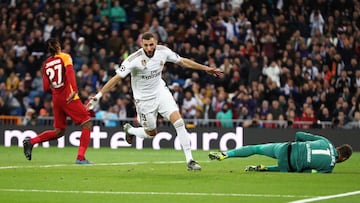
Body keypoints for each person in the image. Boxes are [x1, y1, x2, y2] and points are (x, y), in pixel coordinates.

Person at [87, 32, 223, 171]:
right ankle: (131, 130)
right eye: (146, 45)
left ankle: (190, 160)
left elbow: (182, 61)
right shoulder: (133, 59)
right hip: (144, 100)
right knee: (151, 133)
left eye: (151, 44)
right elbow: (116, 78)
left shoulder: (163, 52)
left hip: (161, 92)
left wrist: (206, 69)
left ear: (156, 42)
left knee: (179, 122)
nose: (149, 48)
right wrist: (99, 95)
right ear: (141, 44)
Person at [23, 38, 92, 164]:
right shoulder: (65, 57)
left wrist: (56, 93)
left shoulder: (45, 65)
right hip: (69, 97)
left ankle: (31, 141)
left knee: (59, 131)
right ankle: (80, 158)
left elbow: (45, 87)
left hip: (57, 99)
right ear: (57, 46)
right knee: (87, 122)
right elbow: (70, 73)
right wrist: (74, 90)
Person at [208, 131, 352, 173]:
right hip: (289, 166)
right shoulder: (329, 167)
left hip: (285, 148)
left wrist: (300, 147)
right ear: (343, 158)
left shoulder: (325, 141)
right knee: (298, 169)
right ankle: (265, 169)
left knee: (255, 148)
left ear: (338, 147)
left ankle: (225, 154)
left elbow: (299, 134)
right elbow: (312, 174)